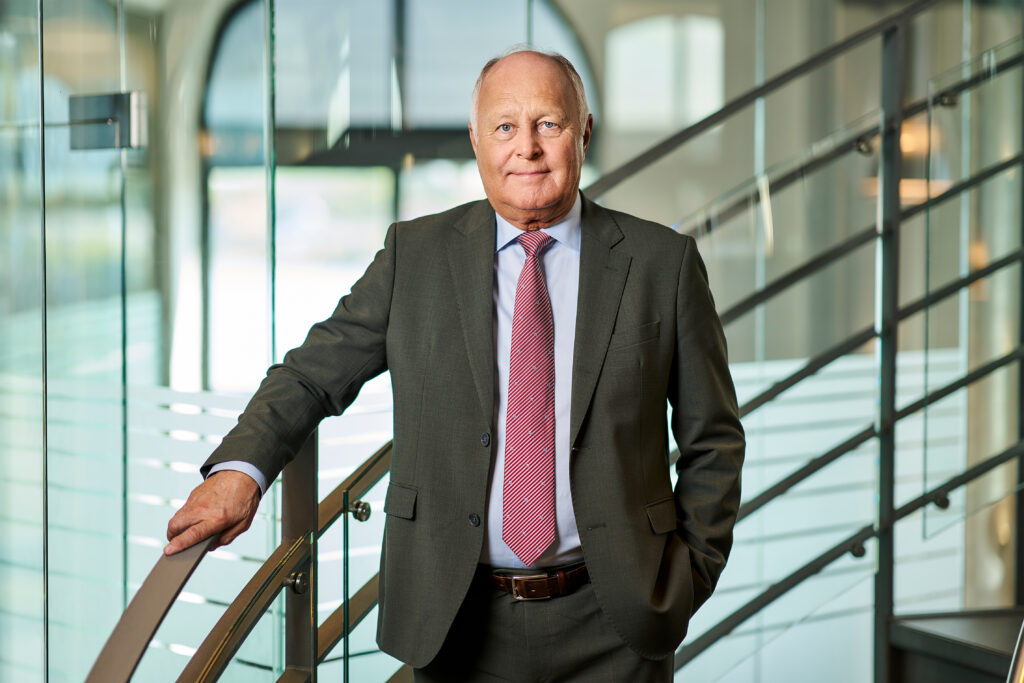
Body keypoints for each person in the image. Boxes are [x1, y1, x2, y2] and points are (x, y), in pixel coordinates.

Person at [165, 49, 744, 682]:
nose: (526, 147)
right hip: (456, 620)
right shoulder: (413, 256)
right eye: (505, 126)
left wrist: (687, 576)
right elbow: (311, 374)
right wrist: (240, 472)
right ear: (476, 139)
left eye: (548, 124)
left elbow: (713, 438)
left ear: (583, 132)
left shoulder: (662, 262)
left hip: (618, 622)